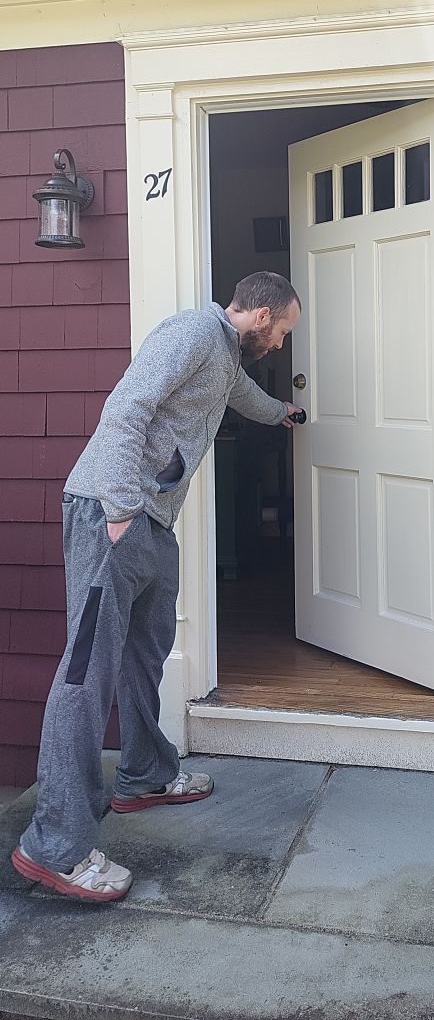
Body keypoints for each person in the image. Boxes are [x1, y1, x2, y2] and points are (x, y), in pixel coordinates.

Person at [12, 271, 303, 902]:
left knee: (147, 653)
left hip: (150, 523)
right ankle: (54, 844)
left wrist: (284, 414)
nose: (281, 345)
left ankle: (143, 773)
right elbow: (128, 406)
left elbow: (243, 397)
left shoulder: (225, 359)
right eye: (283, 331)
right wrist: (118, 506)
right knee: (85, 673)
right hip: (110, 513)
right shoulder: (194, 332)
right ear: (261, 315)